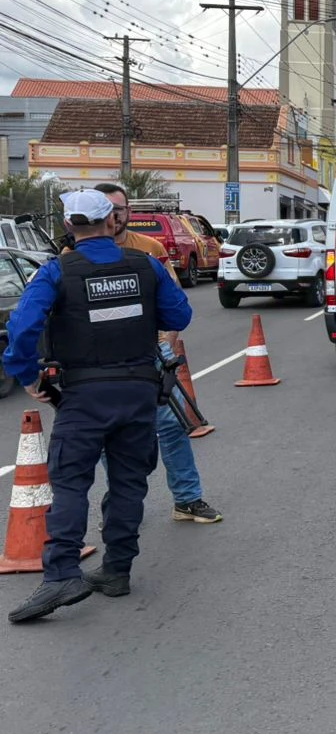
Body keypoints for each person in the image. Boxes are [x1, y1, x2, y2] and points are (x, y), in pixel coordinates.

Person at [4, 190, 192, 623]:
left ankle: (61, 576)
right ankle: (116, 570)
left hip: (84, 396)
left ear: (70, 226)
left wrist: (29, 376)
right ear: (112, 221)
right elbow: (178, 317)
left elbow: (22, 328)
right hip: (139, 393)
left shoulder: (56, 272)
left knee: (70, 483)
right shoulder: (146, 266)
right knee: (129, 482)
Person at [95, 183, 222, 524]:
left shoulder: (149, 250)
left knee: (171, 426)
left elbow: (173, 300)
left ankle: (187, 499)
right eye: (105, 209)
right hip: (99, 362)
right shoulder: (74, 255)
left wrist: (166, 342)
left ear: (128, 213)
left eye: (118, 209)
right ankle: (121, 502)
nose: (112, 216)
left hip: (148, 354)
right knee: (111, 434)